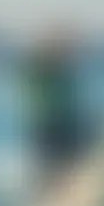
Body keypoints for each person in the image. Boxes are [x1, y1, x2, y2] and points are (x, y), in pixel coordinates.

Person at [21, 32, 83, 192]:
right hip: (49, 125)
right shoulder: (39, 70)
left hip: (66, 123)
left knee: (69, 158)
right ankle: (48, 192)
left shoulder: (63, 71)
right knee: (50, 163)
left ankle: (68, 185)